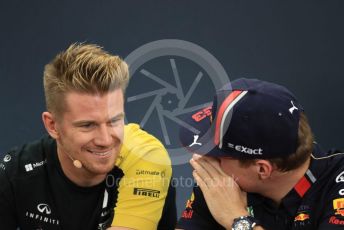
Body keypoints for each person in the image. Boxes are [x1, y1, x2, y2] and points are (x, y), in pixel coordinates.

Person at [0, 43, 176, 230]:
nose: (105, 140)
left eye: (114, 121)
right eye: (87, 125)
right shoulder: (16, 172)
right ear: (52, 125)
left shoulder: (146, 155)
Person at [176, 78, 344, 230]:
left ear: (262, 169)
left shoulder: (337, 186)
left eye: (218, 153)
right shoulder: (219, 181)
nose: (201, 159)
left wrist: (236, 219)